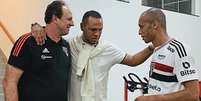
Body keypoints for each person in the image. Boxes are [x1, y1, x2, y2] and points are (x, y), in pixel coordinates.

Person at [31, 10, 154, 101]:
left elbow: (132, 60)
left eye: (100, 29)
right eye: (93, 29)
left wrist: (151, 47)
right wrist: (37, 27)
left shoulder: (107, 48)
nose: (97, 34)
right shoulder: (69, 44)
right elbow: (52, 35)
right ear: (82, 27)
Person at [2, 1, 74, 101]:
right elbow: (9, 82)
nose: (72, 23)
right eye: (69, 19)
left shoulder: (66, 46)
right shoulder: (27, 41)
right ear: (55, 18)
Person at [135, 8, 200, 101]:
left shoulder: (179, 49)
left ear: (154, 25)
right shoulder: (156, 49)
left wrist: (151, 99)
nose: (139, 32)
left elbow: (193, 94)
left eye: (141, 26)